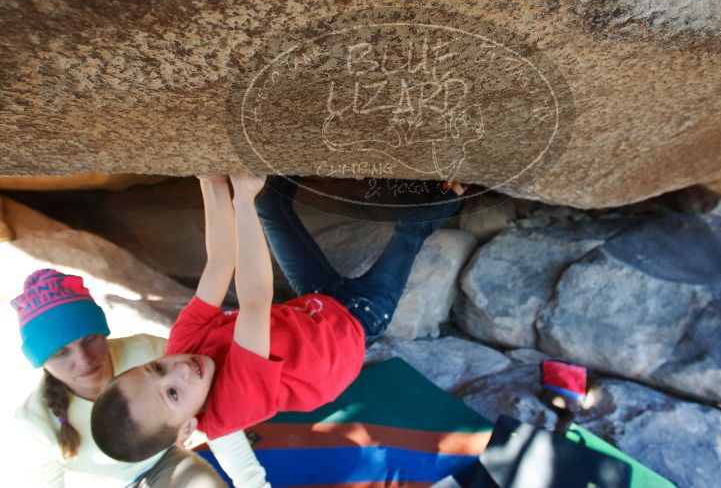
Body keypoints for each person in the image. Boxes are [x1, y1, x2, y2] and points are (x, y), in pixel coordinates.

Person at [90, 174, 464, 465]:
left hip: (312, 304)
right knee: (409, 231)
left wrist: (210, 182)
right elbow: (254, 299)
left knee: (268, 204)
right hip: (357, 323)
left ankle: (305, 138)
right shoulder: (232, 405)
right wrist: (241, 200)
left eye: (156, 368)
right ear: (188, 429)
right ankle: (454, 191)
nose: (178, 370)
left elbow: (220, 264)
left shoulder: (183, 347)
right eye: (173, 394)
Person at [12, 267, 270, 487]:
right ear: (42, 364)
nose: (83, 359)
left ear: (104, 332)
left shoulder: (151, 356)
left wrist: (254, 484)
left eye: (90, 338)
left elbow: (218, 419)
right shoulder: (35, 422)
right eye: (60, 353)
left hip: (163, 465)